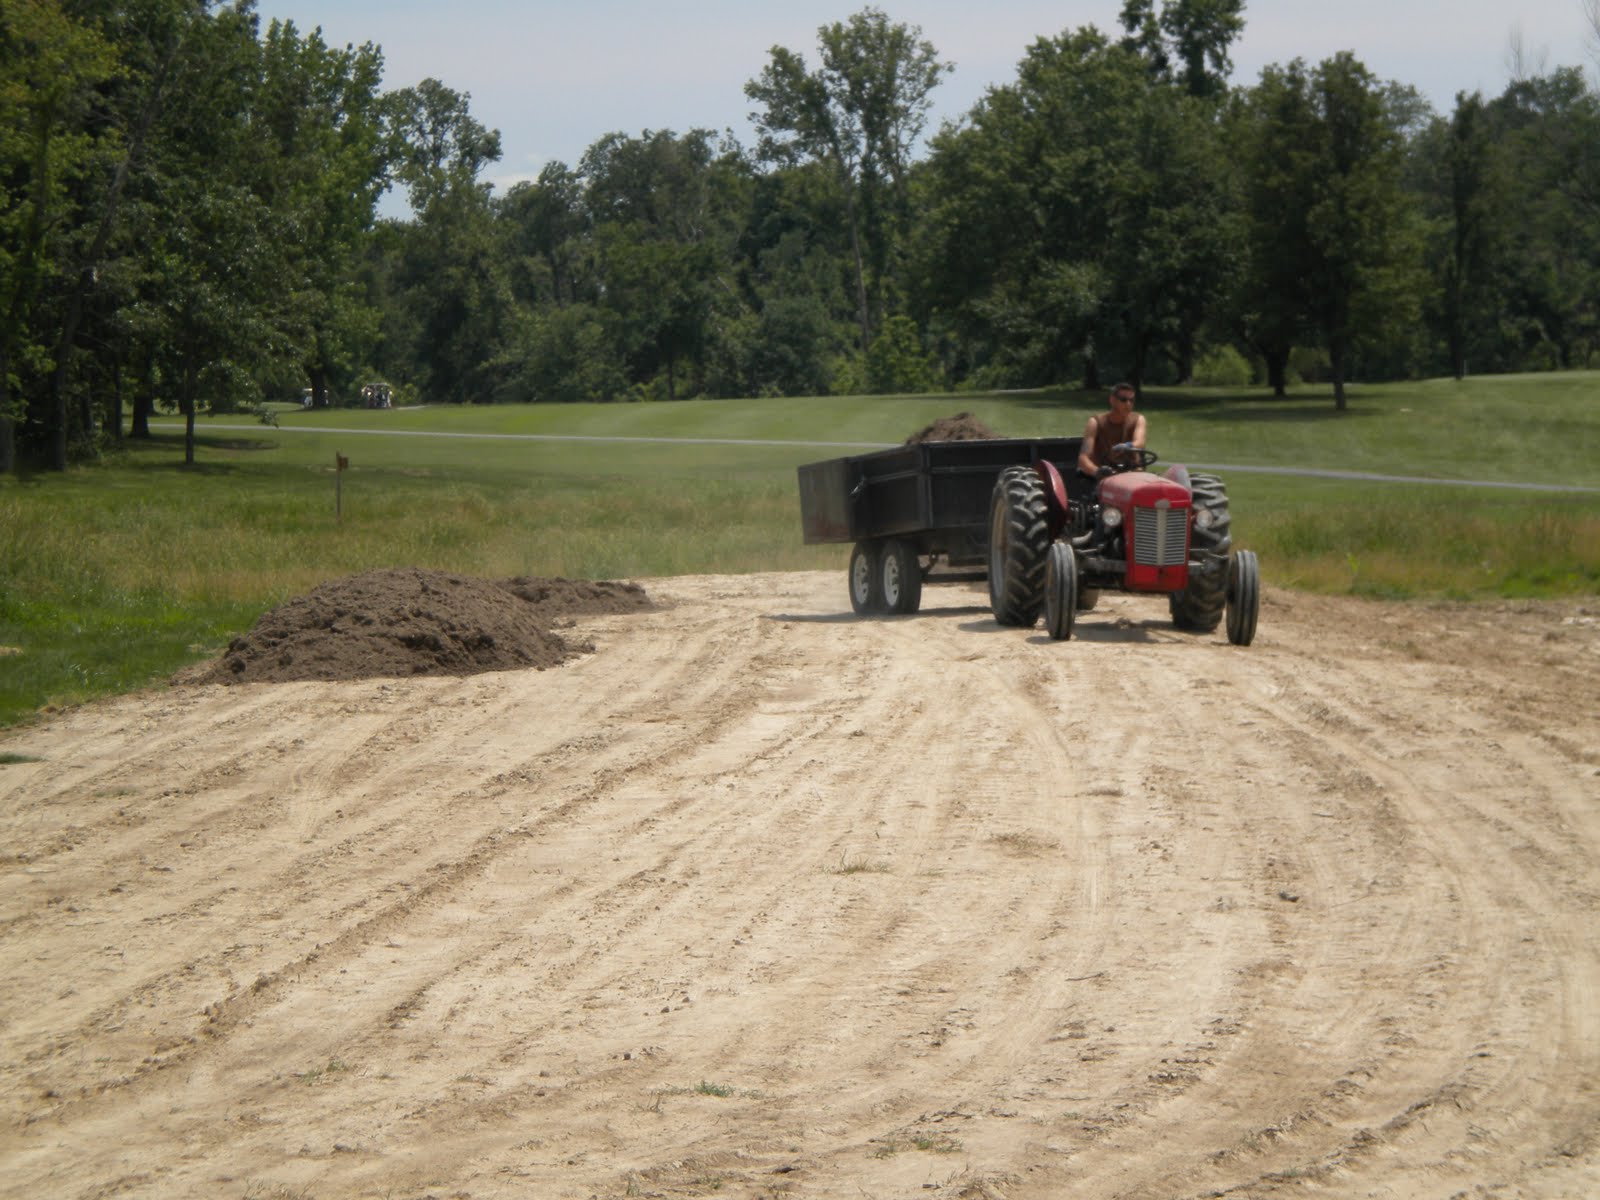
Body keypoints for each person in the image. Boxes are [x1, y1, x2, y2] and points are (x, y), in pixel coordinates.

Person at [1077, 381, 1147, 478]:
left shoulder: (1138, 419)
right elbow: (1083, 459)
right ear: (1112, 400)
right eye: (1123, 400)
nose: (1128, 404)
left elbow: (1140, 442)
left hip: (1132, 474)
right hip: (1105, 476)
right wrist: (1098, 471)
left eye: (1132, 400)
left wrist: (1127, 446)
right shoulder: (1095, 422)